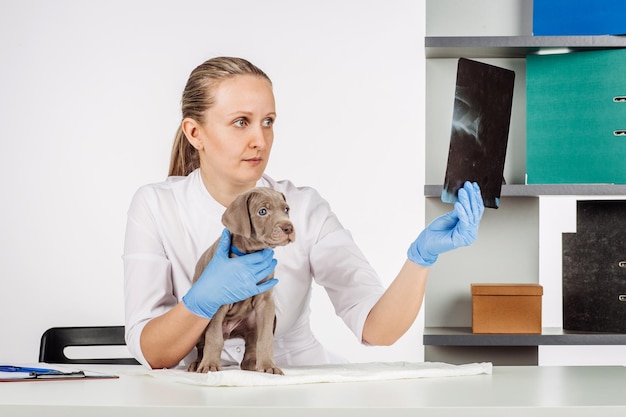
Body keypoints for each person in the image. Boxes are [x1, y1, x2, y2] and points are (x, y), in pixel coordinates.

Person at [123, 57, 484, 370]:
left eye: (268, 121)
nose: (260, 141)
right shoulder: (157, 206)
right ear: (194, 132)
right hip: (198, 392)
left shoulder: (304, 208)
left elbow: (378, 329)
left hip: (296, 388)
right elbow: (152, 353)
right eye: (240, 122)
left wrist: (420, 258)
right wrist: (202, 300)